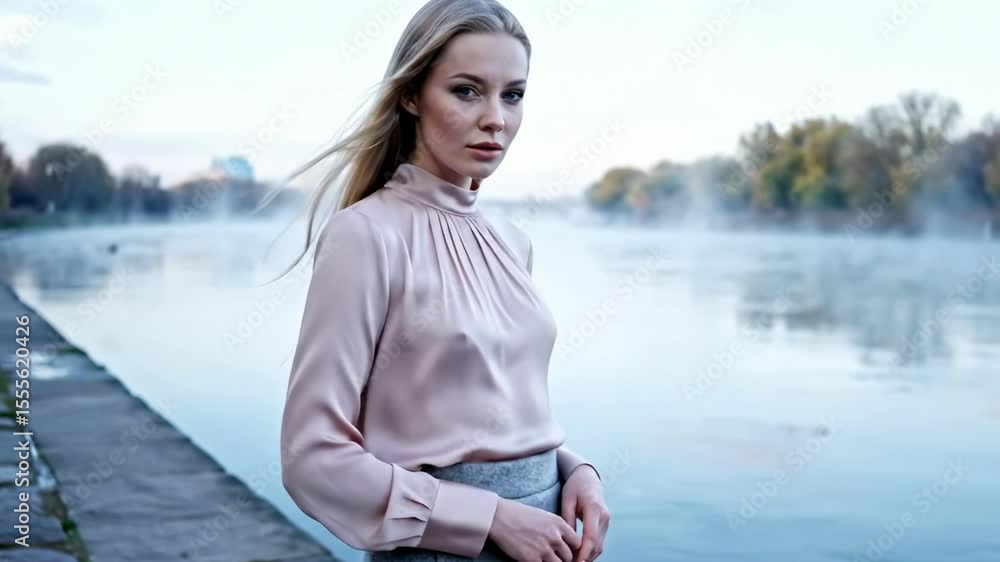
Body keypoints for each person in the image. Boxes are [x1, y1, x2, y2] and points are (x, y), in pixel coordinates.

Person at [277, 1, 610, 560]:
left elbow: (492, 417)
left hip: (549, 539)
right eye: (466, 90)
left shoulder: (513, 240)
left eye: (513, 94)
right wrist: (490, 518)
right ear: (411, 95)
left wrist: (575, 470)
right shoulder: (364, 236)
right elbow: (311, 457)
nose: (496, 119)